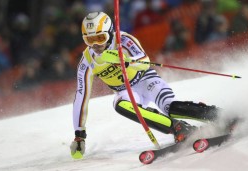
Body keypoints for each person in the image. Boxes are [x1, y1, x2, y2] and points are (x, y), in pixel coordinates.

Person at [70, 12, 219, 159]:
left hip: (145, 79)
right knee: (120, 105)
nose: (95, 45)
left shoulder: (123, 40)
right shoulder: (87, 61)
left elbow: (144, 60)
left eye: (100, 38)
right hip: (126, 91)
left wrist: (127, 61)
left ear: (109, 33)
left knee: (170, 107)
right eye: (89, 40)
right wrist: (79, 135)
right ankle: (178, 128)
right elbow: (81, 96)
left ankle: (215, 114)